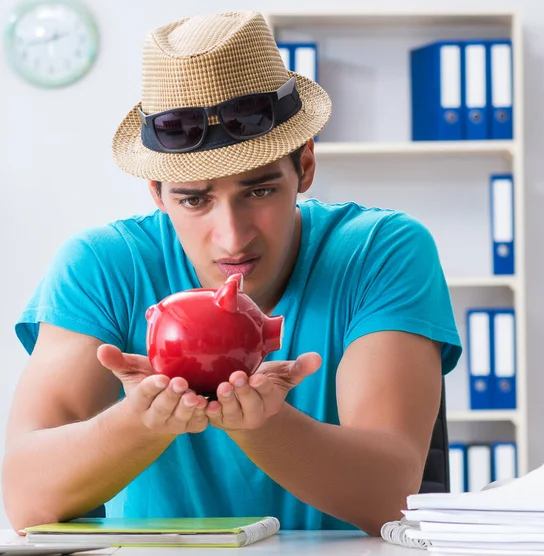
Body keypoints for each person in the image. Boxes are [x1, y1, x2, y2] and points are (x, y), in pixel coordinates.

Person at [2, 11, 462, 537]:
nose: (233, 236)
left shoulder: (381, 251)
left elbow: (392, 494)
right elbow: (25, 500)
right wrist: (140, 422)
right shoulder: (103, 266)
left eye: (259, 190)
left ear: (305, 166)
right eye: (195, 200)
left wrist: (266, 424)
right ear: (156, 192)